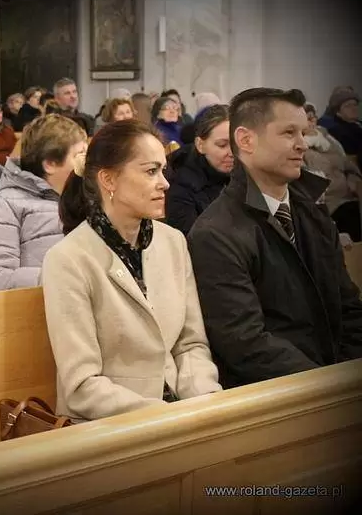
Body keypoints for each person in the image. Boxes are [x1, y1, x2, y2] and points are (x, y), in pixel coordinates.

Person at [42, 119, 222, 422]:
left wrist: (203, 401)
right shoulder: (68, 259)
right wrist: (162, 417)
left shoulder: (173, 242)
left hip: (178, 413)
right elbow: (82, 386)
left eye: (163, 170)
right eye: (151, 171)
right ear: (109, 180)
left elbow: (190, 344)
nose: (165, 183)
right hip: (111, 424)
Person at [188, 88, 362, 389]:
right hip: (282, 397)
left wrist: (349, 373)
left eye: (303, 133)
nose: (302, 144)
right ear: (246, 140)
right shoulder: (215, 233)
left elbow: (348, 306)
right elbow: (245, 343)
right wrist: (329, 385)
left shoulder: (314, 214)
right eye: (288, 133)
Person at [0, 114, 86, 293]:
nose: (86, 165)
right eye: (79, 156)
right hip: (41, 304)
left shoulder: (89, 200)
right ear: (50, 164)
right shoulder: (5, 206)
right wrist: (63, 279)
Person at [165, 104, 233, 235]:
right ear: (200, 145)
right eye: (222, 145)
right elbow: (190, 239)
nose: (231, 153)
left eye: (236, 144)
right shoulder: (180, 186)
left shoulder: (248, 173)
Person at [302, 103, 362, 241]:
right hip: (329, 203)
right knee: (351, 214)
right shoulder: (299, 147)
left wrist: (353, 178)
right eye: (308, 118)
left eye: (314, 117)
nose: (312, 122)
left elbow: (347, 164)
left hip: (349, 195)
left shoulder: (327, 137)